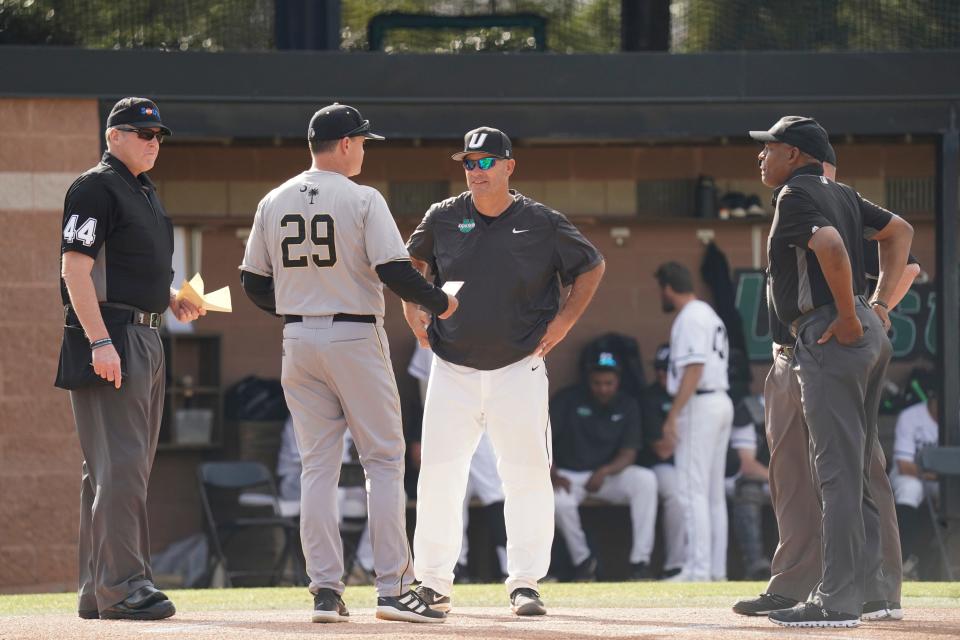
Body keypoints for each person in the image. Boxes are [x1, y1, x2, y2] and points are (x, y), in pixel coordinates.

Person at [239, 103, 457, 624]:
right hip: (354, 335)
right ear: (342, 144)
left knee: (317, 466)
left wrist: (300, 304)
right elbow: (394, 271)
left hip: (299, 338)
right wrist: (441, 302)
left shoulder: (274, 198)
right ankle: (392, 589)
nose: (362, 148)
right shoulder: (362, 198)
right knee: (382, 461)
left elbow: (252, 282)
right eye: (360, 141)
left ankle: (325, 591)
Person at [404, 126, 605, 616]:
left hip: (520, 364)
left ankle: (526, 582)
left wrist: (563, 322)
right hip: (451, 368)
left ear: (509, 166)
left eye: (486, 162)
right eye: (468, 163)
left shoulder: (542, 221)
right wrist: (414, 309)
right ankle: (432, 583)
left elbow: (592, 266)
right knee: (439, 476)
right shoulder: (444, 216)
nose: (476, 171)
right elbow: (410, 263)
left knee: (527, 474)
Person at [734, 138, 917, 624]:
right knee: (850, 471)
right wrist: (874, 306)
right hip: (849, 331)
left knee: (837, 472)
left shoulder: (795, 195)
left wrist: (851, 314)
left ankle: (836, 599)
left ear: (794, 154)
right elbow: (900, 231)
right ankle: (872, 595)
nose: (760, 157)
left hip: (829, 333)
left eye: (769, 149)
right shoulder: (842, 193)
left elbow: (832, 246)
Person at [57, 97, 204, 621]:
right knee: (119, 467)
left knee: (118, 468)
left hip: (145, 333)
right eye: (142, 132)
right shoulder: (95, 185)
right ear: (113, 135)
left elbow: (127, 265)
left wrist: (167, 296)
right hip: (112, 334)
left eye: (158, 134)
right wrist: (99, 342)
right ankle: (123, 588)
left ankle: (101, 589)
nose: (152, 141)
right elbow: (76, 271)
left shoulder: (140, 189)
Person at [654, 262, 733, 582]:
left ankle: (698, 570)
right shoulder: (709, 313)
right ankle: (715, 570)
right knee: (712, 493)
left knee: (691, 489)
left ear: (668, 287)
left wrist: (673, 415)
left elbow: (694, 368)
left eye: (661, 288)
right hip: (719, 399)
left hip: (700, 402)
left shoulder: (689, 317)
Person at [551, 352, 658, 581]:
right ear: (588, 379)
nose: (603, 388)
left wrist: (604, 471)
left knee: (645, 480)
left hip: (608, 475)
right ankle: (584, 561)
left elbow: (629, 453)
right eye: (597, 383)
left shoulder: (627, 404)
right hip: (569, 475)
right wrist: (553, 474)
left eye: (608, 383)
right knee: (559, 501)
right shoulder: (568, 399)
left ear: (617, 381)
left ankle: (640, 562)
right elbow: (543, 441)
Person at [408, 345, 508, 582]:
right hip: (446, 425)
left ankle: (509, 566)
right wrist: (419, 435)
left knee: (496, 493)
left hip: (487, 427)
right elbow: (422, 391)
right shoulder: (430, 323)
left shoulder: (492, 319)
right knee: (451, 495)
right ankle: (456, 566)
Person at [637, 343, 687, 579]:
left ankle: (699, 563)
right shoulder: (650, 397)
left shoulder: (692, 394)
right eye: (658, 368)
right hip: (659, 466)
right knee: (676, 494)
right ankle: (674, 565)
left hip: (688, 463)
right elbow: (663, 449)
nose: (661, 374)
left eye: (667, 369)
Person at [890, 375, 940, 578]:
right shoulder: (911, 416)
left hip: (941, 480)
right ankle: (902, 560)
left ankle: (930, 563)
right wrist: (935, 476)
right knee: (911, 488)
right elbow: (904, 465)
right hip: (912, 476)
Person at [723, 398, 771, 580]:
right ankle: (755, 564)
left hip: (787, 480)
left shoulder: (808, 404)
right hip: (750, 479)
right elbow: (747, 465)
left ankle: (811, 566)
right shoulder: (752, 409)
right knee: (748, 491)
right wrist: (785, 481)